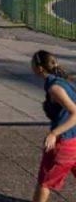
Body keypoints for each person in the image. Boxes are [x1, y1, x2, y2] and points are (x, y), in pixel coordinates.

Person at [31, 50, 76, 201]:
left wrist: (54, 134)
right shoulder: (62, 80)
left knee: (45, 182)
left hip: (65, 143)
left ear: (39, 68)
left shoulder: (55, 88)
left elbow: (75, 113)